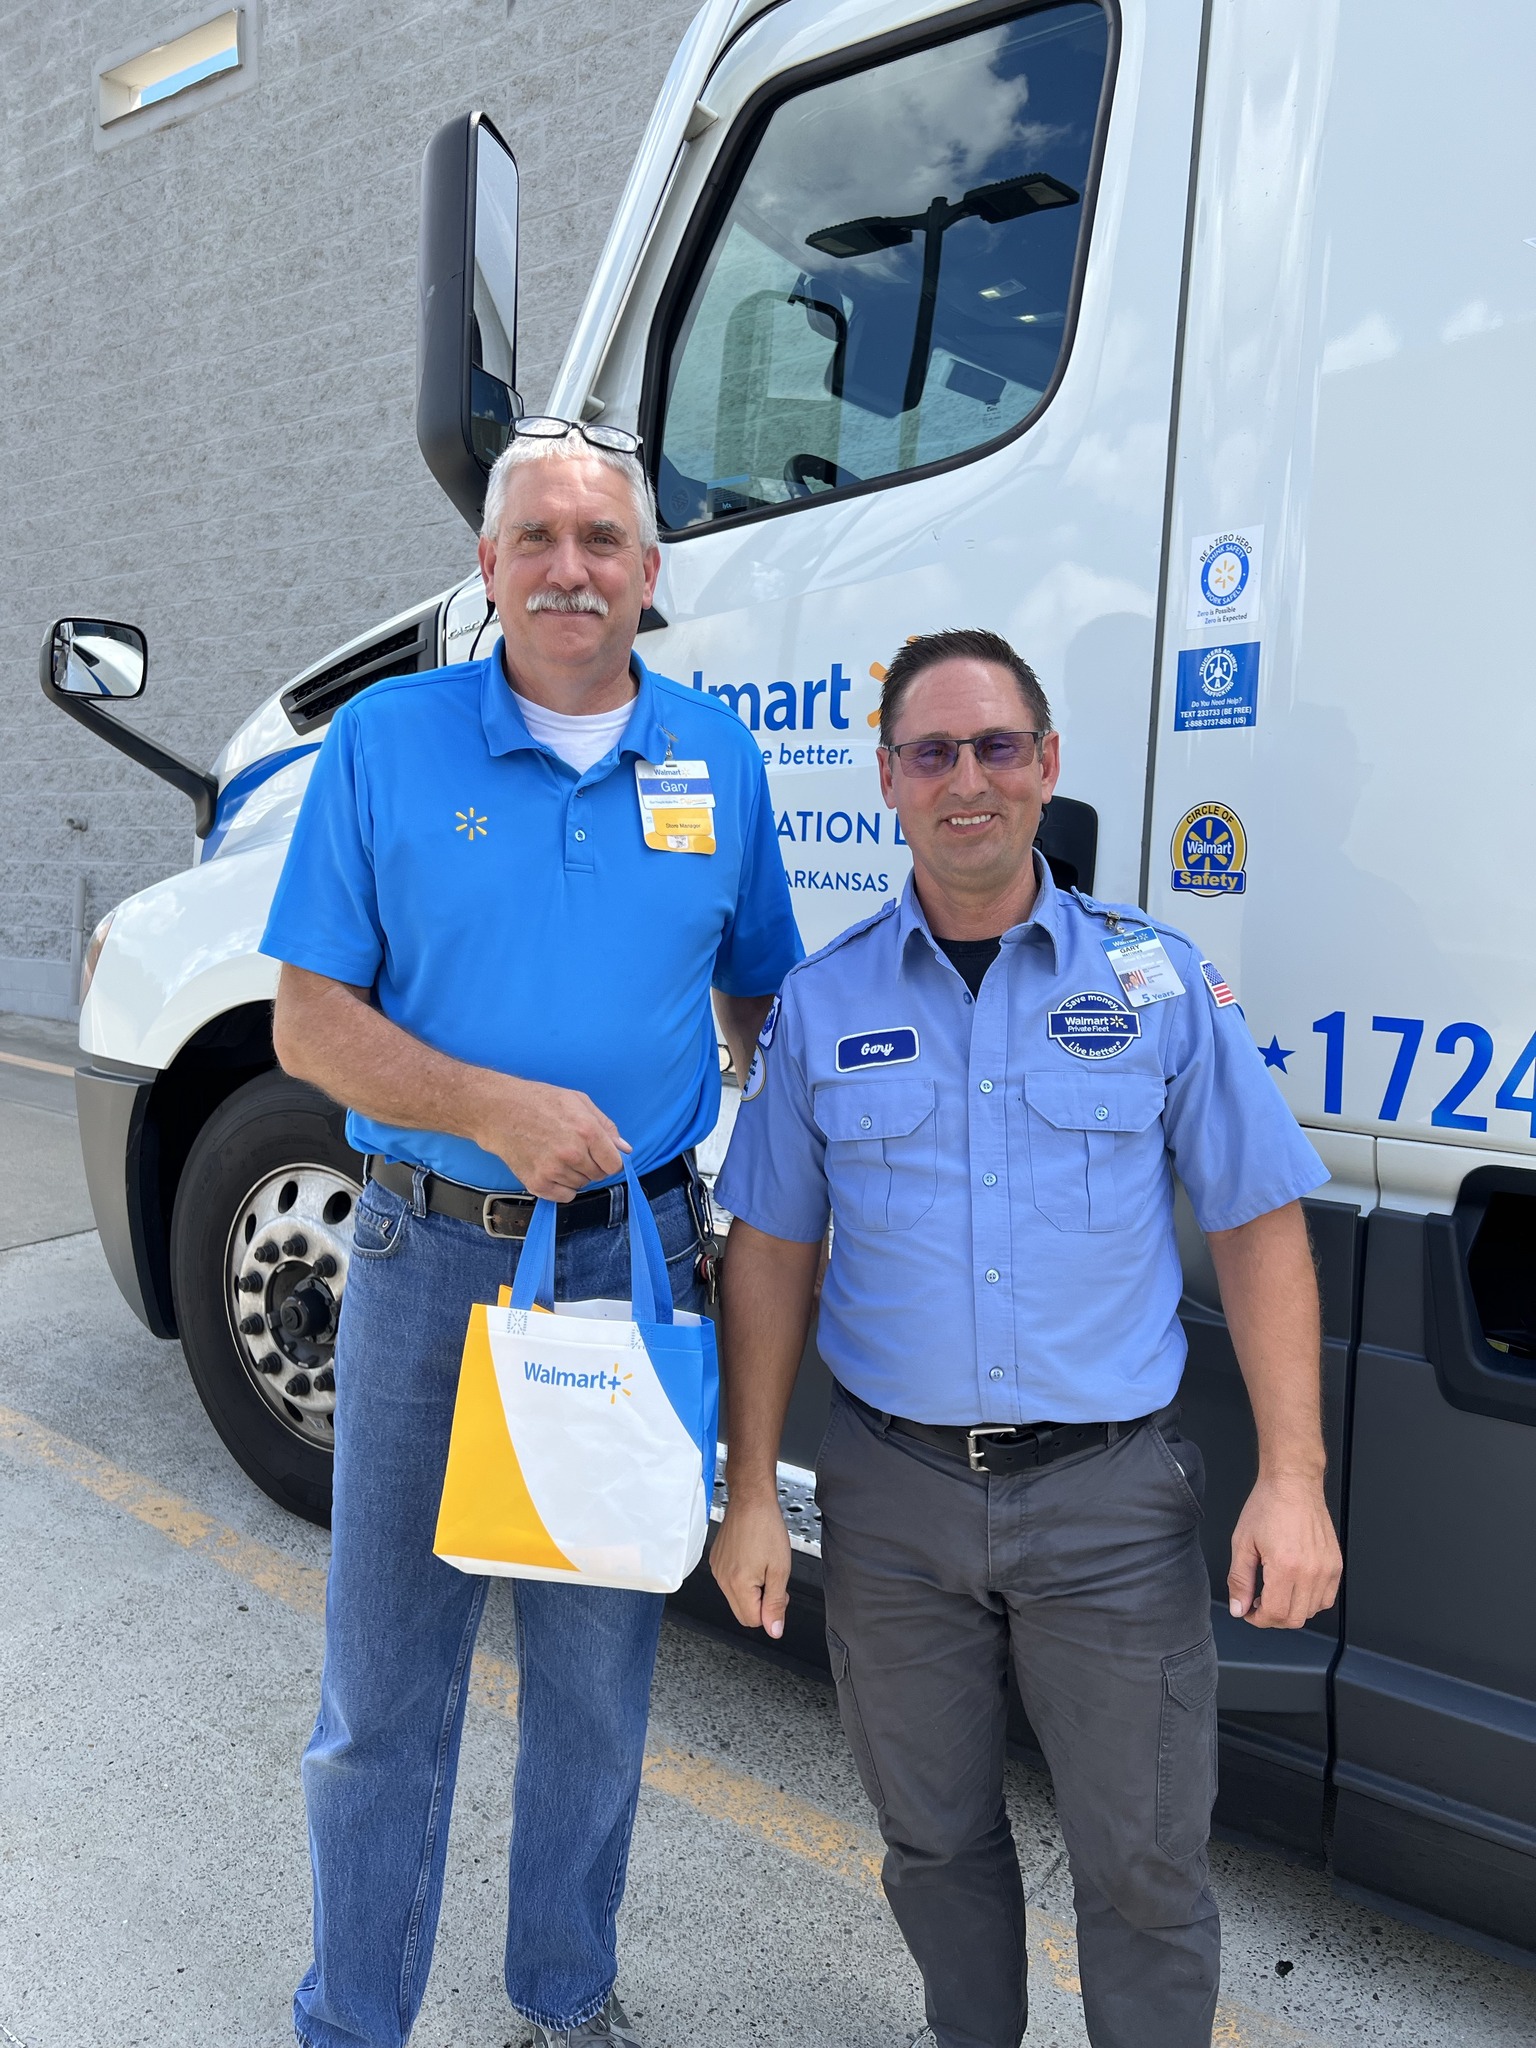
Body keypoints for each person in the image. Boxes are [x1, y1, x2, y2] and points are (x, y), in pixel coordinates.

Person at [709, 627, 1342, 2048]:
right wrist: (750, 1492)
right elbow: (772, 1255)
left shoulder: (1156, 983)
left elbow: (1257, 1222)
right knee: (932, 1845)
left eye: (998, 747)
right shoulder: (823, 1001)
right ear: (887, 780)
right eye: (933, 752)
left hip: (1107, 1501)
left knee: (1146, 1867)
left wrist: (1293, 1478)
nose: (969, 780)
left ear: (1048, 766)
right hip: (893, 1501)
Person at [262, 418, 801, 2048]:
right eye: (538, 540)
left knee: (593, 1684)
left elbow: (759, 996)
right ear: (487, 568)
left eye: (602, 540)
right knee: (384, 1688)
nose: (572, 569)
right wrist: (488, 1106)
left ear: (649, 572)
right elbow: (306, 1024)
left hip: (632, 1269)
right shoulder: (387, 743)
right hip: (430, 1257)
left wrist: (776, 1162)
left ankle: (565, 1998)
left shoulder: (718, 757)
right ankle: (354, 2018)